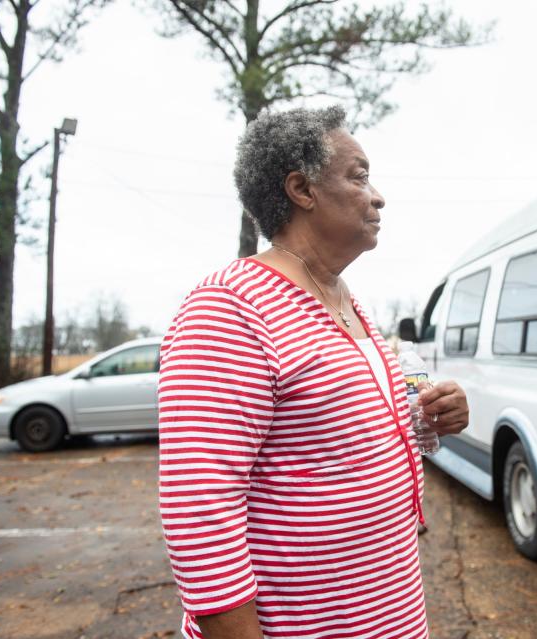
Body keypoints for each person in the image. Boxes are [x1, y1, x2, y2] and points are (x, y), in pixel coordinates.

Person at [158, 105, 470, 639]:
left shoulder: (350, 302)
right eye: (359, 175)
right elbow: (200, 509)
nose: (378, 196)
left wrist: (436, 416)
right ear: (303, 189)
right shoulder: (230, 308)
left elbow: (347, 440)